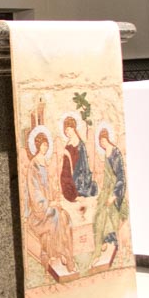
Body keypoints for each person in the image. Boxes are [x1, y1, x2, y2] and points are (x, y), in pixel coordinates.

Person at [26, 129, 75, 276]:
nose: (45, 148)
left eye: (46, 145)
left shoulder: (45, 163)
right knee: (55, 215)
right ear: (37, 146)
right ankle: (63, 254)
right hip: (38, 211)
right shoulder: (34, 165)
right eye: (43, 145)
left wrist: (56, 199)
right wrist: (48, 203)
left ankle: (67, 254)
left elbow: (49, 186)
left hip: (48, 204)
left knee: (65, 216)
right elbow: (34, 191)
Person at [91, 127, 129, 266]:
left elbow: (121, 177)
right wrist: (103, 194)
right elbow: (106, 178)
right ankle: (101, 242)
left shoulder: (115, 152)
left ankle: (104, 245)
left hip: (116, 192)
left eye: (103, 140)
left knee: (106, 214)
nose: (102, 143)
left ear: (106, 139)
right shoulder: (105, 153)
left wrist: (114, 195)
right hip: (106, 191)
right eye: (100, 142)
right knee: (97, 215)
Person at [59, 114, 97, 202]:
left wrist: (68, 154)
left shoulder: (80, 144)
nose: (67, 133)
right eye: (65, 131)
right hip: (68, 172)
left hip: (78, 173)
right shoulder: (68, 142)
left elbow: (83, 164)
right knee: (64, 180)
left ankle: (77, 192)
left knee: (73, 187)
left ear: (73, 128)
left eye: (68, 130)